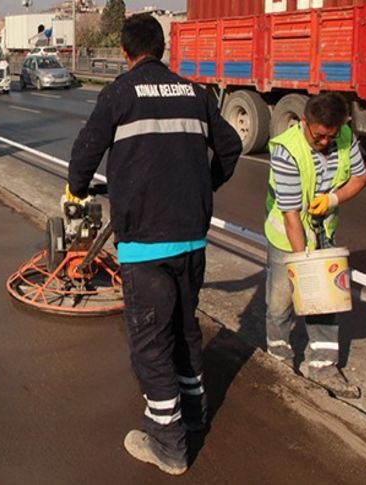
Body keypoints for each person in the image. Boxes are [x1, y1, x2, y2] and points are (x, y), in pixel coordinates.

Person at [66, 14, 242, 475]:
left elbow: (84, 154)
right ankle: (194, 417)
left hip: (146, 246)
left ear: (125, 53)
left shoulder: (120, 93)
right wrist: (206, 185)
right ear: (163, 49)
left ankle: (168, 445)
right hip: (191, 241)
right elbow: (230, 148)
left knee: (150, 344)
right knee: (185, 332)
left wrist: (77, 189)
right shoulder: (195, 94)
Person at [265, 92, 366, 398]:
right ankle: (279, 361)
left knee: (324, 301)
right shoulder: (287, 150)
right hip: (288, 235)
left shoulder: (345, 137)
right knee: (281, 301)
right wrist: (303, 266)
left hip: (323, 232)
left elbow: (360, 178)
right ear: (305, 123)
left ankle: (322, 366)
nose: (325, 142)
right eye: (319, 135)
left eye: (331, 136)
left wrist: (333, 199)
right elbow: (291, 215)